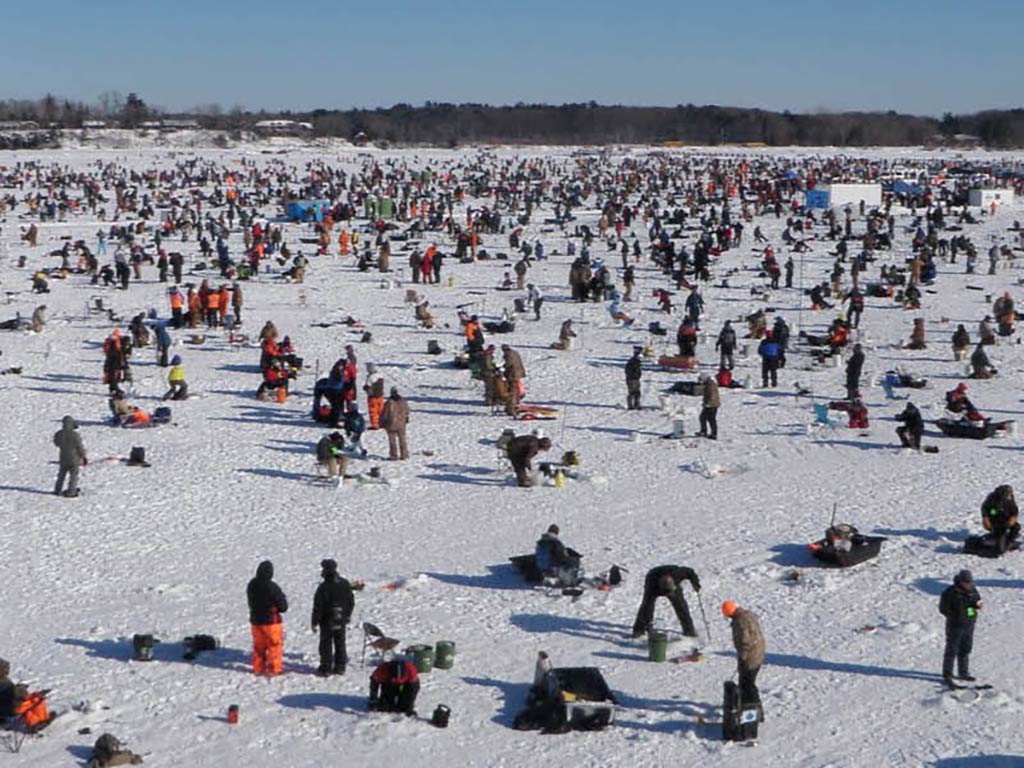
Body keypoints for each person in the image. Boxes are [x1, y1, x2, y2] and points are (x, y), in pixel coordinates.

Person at [631, 565, 701, 638]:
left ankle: (689, 630)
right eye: (667, 593)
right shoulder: (652, 585)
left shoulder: (678, 573)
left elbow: (690, 572)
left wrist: (695, 584)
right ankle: (639, 629)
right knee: (647, 606)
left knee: (681, 606)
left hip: (672, 582)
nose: (670, 595)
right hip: (652, 578)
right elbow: (646, 607)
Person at [311, 559, 354, 676]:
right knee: (340, 643)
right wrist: (347, 615)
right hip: (341, 619)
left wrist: (314, 621)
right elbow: (351, 601)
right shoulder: (344, 583)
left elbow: (318, 606)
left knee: (326, 644)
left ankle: (326, 668)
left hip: (327, 620)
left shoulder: (323, 587)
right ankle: (340, 667)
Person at [939, 570, 981, 685]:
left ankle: (963, 672)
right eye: (966, 582)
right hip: (955, 626)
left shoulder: (972, 590)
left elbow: (977, 601)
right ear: (960, 581)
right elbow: (943, 608)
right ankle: (947, 674)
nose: (968, 584)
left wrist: (976, 606)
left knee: (965, 649)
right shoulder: (951, 592)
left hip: (969, 625)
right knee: (952, 650)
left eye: (970, 582)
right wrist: (955, 616)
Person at [246, 560, 288, 676]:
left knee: (259, 646)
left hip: (255, 620)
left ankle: (258, 667)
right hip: (271, 622)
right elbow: (283, 606)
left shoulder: (252, 584)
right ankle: (274, 669)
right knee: (274, 645)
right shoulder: (272, 586)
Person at [722, 601, 766, 706]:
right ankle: (753, 707)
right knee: (748, 682)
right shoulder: (747, 615)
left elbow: (745, 641)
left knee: (746, 684)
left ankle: (751, 707)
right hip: (758, 653)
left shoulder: (739, 622)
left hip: (751, 656)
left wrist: (743, 657)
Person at [0, 658, 52, 732]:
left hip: (11, 706)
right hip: (9, 707)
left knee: (31, 702)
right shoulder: (4, 681)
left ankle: (41, 719)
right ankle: (37, 721)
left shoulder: (4, 681)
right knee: (28, 704)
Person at [53, 415, 87, 497]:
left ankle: (57, 490)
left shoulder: (59, 433)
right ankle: (71, 491)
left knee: (61, 474)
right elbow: (79, 447)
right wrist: (83, 456)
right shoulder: (75, 434)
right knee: (73, 475)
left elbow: (56, 443)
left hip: (63, 457)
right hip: (74, 458)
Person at [981, 485, 1020, 554]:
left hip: (1006, 517)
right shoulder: (992, 498)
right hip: (994, 517)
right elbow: (985, 509)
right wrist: (986, 518)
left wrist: (1013, 517)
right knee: (1000, 530)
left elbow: (1014, 510)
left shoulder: (1009, 499)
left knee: (1016, 527)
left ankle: (1009, 541)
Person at [380, 387, 410, 461]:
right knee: (402, 439)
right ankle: (404, 454)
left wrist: (382, 422)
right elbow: (407, 411)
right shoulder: (403, 401)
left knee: (392, 440)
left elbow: (385, 414)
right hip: (401, 423)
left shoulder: (389, 403)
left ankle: (394, 455)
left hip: (391, 424)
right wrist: (406, 418)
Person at [503, 345, 526, 417]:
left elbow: (509, 364)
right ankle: (516, 404)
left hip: (513, 375)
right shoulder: (515, 352)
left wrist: (504, 368)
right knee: (516, 390)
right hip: (518, 373)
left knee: (512, 391)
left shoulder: (508, 355)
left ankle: (511, 408)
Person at [698, 372, 720, 439]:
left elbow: (712, 395)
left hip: (712, 405)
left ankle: (713, 434)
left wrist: (708, 403)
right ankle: (704, 431)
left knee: (711, 419)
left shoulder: (710, 385)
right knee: (703, 417)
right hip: (711, 404)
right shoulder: (709, 383)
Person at [363, 363, 385, 429]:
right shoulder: (381, 375)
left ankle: (375, 424)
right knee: (381, 410)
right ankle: (382, 422)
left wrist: (365, 388)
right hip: (380, 395)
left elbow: (368, 387)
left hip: (373, 397)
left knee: (373, 411)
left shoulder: (370, 378)